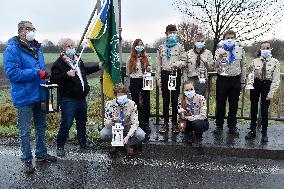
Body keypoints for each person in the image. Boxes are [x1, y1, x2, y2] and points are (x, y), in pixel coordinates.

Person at [3, 21, 57, 174]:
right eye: (28, 28)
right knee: (25, 131)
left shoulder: (37, 48)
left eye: (33, 28)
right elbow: (13, 74)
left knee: (41, 127)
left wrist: (45, 76)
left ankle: (41, 154)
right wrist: (36, 73)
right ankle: (26, 160)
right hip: (24, 97)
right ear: (20, 31)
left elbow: (40, 69)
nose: (32, 31)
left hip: (40, 93)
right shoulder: (12, 50)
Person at [50, 38, 102, 156]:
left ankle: (82, 142)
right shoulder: (59, 63)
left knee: (82, 122)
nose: (71, 48)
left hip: (81, 98)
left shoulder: (78, 60)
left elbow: (85, 71)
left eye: (73, 46)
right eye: (68, 46)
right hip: (68, 99)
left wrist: (98, 66)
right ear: (63, 48)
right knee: (67, 123)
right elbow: (53, 79)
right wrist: (66, 75)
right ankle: (60, 146)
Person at [245, 41, 280, 142]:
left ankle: (264, 132)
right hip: (256, 84)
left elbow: (276, 79)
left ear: (270, 49)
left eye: (267, 48)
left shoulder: (275, 62)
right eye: (263, 48)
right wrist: (250, 70)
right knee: (253, 108)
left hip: (267, 85)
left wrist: (271, 92)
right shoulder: (255, 61)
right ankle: (252, 130)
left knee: (264, 111)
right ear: (260, 49)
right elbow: (250, 75)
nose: (265, 50)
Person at [213, 30, 246, 136]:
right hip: (222, 80)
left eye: (232, 37)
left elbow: (243, 66)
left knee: (234, 104)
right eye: (228, 37)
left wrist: (242, 81)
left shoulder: (240, 50)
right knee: (220, 103)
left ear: (235, 38)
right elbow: (214, 65)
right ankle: (219, 125)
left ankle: (232, 126)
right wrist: (219, 57)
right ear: (224, 39)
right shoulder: (219, 50)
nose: (230, 39)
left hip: (235, 80)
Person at [100, 84, 145, 156]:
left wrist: (128, 136)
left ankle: (127, 143)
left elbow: (135, 123)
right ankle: (114, 142)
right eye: (119, 96)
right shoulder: (109, 105)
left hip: (127, 126)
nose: (122, 98)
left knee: (141, 135)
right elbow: (106, 124)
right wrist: (112, 120)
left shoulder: (132, 104)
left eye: (123, 96)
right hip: (114, 127)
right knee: (103, 134)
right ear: (115, 95)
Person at [156, 24, 186, 133]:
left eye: (174, 32)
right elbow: (158, 65)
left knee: (174, 101)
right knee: (165, 101)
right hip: (164, 75)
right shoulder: (161, 47)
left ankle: (174, 123)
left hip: (175, 75)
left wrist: (176, 64)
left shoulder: (180, 46)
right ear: (166, 34)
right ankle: (165, 124)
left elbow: (184, 61)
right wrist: (158, 80)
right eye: (170, 33)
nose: (172, 34)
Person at [126, 39, 151, 133]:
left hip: (145, 80)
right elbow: (128, 73)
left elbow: (150, 69)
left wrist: (148, 69)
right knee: (135, 103)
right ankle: (136, 123)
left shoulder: (146, 57)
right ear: (134, 47)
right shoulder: (130, 58)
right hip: (135, 81)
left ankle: (146, 122)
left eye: (141, 45)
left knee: (146, 103)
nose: (140, 46)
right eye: (138, 45)